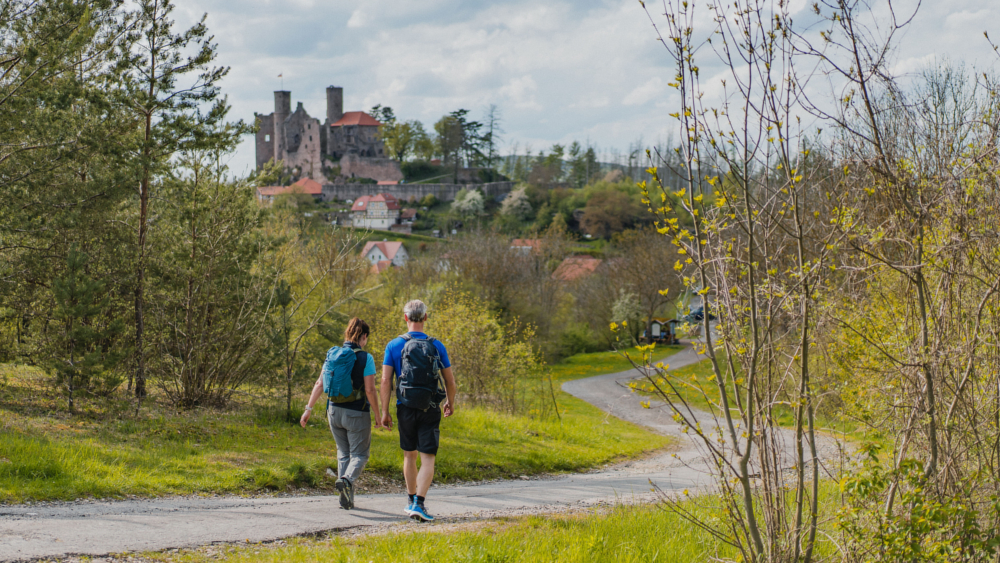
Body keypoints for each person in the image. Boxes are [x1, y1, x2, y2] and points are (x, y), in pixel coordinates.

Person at [380, 299, 457, 522]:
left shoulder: (393, 345)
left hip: (404, 407)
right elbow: (450, 381)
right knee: (428, 457)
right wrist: (450, 402)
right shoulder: (437, 345)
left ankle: (411, 499)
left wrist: (384, 412)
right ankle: (419, 504)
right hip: (430, 408)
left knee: (409, 454)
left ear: (405, 318)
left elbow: (385, 381)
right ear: (425, 318)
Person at [301, 317, 383, 510]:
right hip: (356, 414)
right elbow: (370, 390)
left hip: (333, 412)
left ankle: (346, 498)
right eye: (366, 338)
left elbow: (319, 383)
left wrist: (308, 410)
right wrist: (378, 417)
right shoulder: (365, 358)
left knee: (343, 453)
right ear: (363, 336)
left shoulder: (332, 354)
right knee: (360, 455)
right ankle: (346, 479)